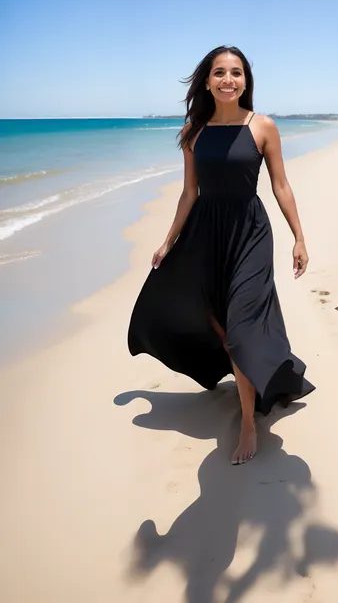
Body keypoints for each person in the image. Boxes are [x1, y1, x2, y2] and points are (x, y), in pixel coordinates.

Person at [128, 45, 315, 465]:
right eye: (219, 73)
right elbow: (189, 193)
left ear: (246, 81)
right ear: (208, 81)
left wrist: (299, 237)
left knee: (243, 325)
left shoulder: (262, 126)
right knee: (223, 326)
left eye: (235, 72)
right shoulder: (193, 133)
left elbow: (281, 186)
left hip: (250, 234)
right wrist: (169, 241)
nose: (227, 79)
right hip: (206, 236)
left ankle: (248, 423)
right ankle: (249, 378)